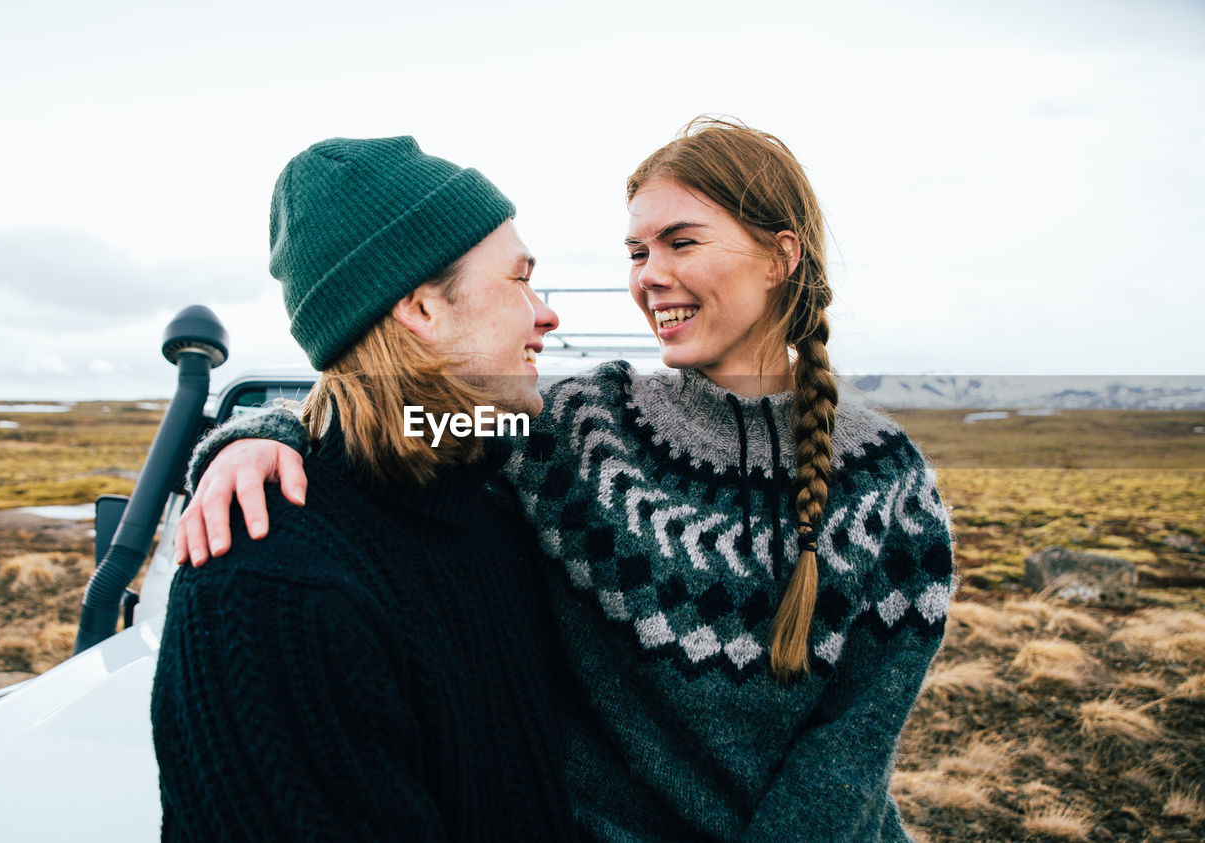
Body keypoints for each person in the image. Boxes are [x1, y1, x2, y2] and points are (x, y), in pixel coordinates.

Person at [178, 118, 956, 841]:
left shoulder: (889, 487)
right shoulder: (581, 430)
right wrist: (255, 436)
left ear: (783, 256)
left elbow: (849, 757)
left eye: (682, 241)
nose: (653, 276)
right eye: (637, 253)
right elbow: (396, 426)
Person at [150, 136, 575, 841]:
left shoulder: (499, 510)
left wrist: (266, 427)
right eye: (519, 280)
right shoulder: (268, 588)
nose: (546, 314)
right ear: (420, 309)